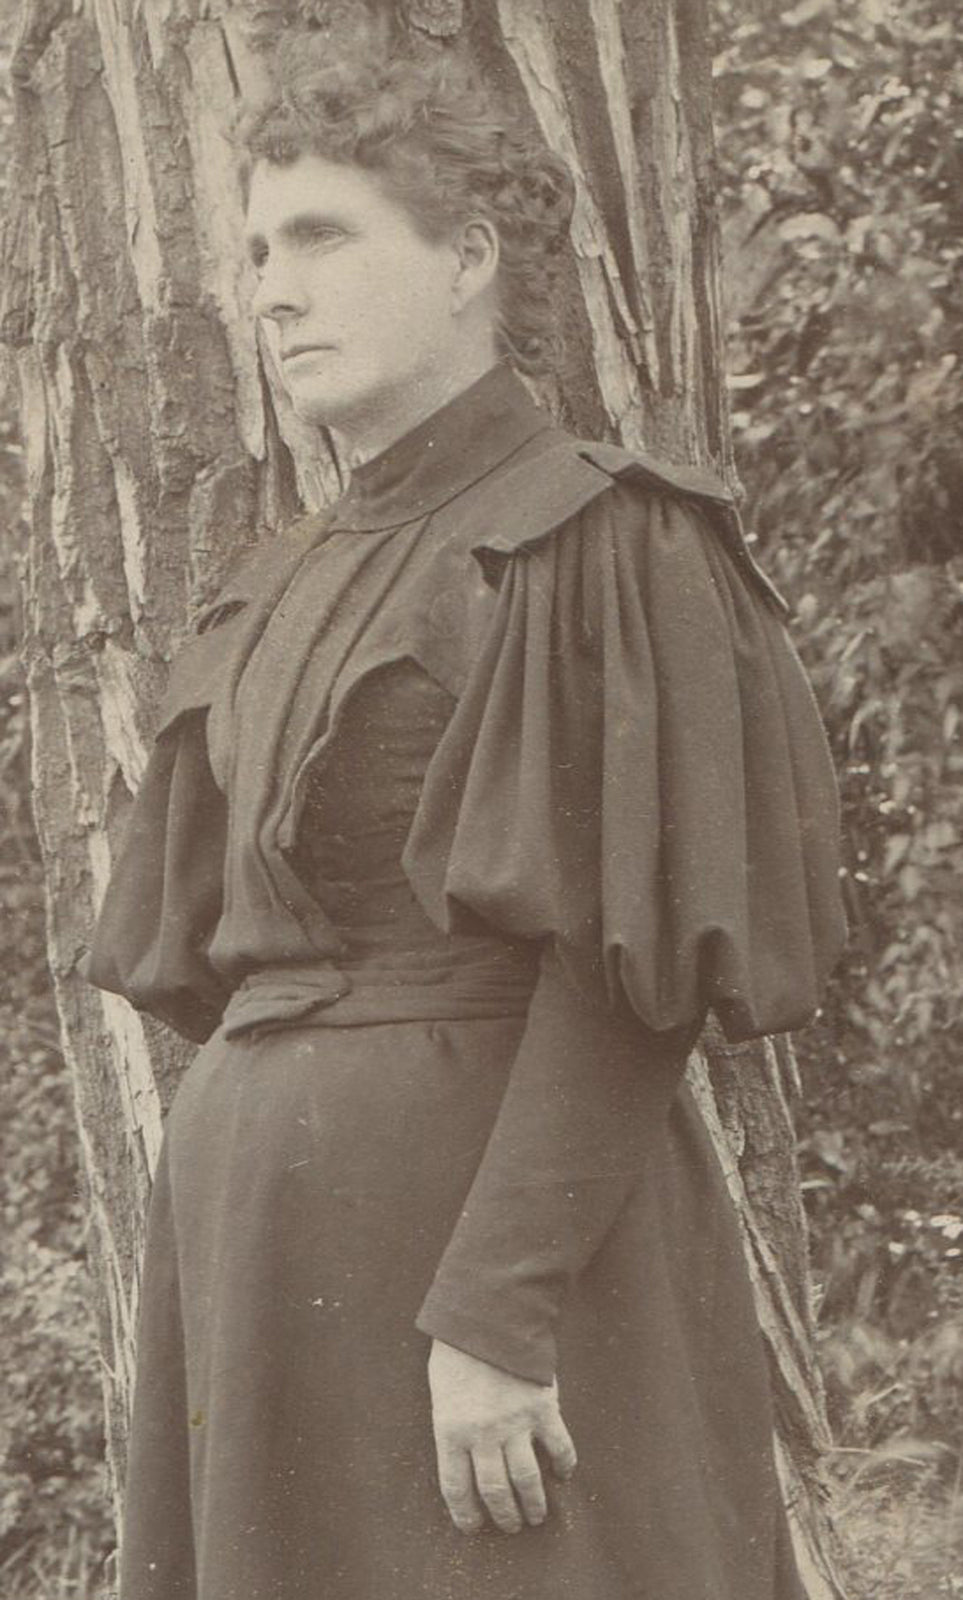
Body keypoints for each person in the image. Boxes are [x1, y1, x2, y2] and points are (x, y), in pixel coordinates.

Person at [86, 37, 847, 1600]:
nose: (271, 290)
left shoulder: (602, 539)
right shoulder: (272, 580)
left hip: (501, 1278)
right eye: (252, 249)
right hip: (266, 1273)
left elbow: (631, 976)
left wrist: (497, 1314)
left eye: (322, 237)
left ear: (470, 258)